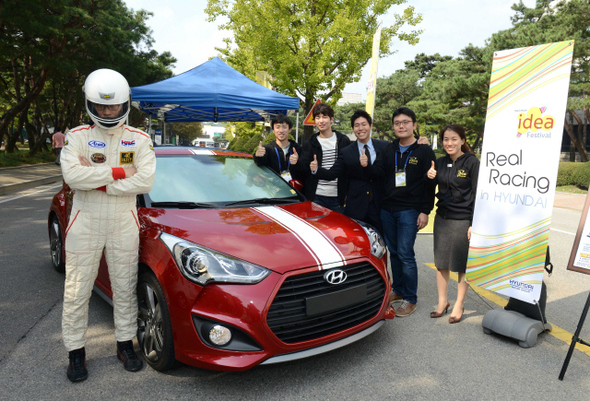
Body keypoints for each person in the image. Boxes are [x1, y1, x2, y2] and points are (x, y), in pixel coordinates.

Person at [60, 68, 156, 382]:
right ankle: (75, 353)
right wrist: (118, 174)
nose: (107, 111)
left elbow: (146, 181)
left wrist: (98, 180)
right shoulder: (77, 137)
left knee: (126, 287)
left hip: (122, 220)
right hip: (85, 218)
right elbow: (73, 177)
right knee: (76, 291)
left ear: (124, 104)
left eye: (113, 106)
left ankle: (124, 344)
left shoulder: (139, 139)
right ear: (91, 104)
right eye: (101, 106)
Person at [371, 107, 436, 317]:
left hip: (409, 210)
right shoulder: (388, 150)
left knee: (406, 254)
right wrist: (364, 165)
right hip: (387, 209)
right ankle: (398, 290)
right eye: (397, 122)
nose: (401, 125)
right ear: (393, 126)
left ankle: (410, 298)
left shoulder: (424, 150)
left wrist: (425, 211)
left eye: (406, 122)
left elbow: (429, 183)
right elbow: (378, 174)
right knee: (395, 252)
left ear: (414, 125)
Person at [427, 124, 479, 324]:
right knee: (441, 263)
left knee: (461, 265)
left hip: (463, 219)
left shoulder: (472, 162)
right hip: (442, 219)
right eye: (446, 139)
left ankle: (459, 304)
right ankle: (442, 302)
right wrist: (429, 177)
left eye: (454, 139)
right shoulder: (439, 163)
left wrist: (473, 223)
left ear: (463, 141)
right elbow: (430, 188)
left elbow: (477, 194)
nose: (449, 143)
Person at [312, 110, 387, 233]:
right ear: (353, 129)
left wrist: (420, 143)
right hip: (356, 206)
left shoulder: (384, 147)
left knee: (381, 243)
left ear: (371, 126)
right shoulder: (347, 151)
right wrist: (316, 170)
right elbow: (332, 174)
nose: (360, 128)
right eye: (356, 125)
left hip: (380, 205)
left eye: (364, 124)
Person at [298, 103, 351, 213]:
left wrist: (346, 193)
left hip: (337, 197)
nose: (321, 121)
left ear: (331, 119)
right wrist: (296, 162)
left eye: (324, 117)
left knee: (337, 229)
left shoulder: (343, 141)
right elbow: (302, 170)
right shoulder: (310, 143)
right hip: (316, 196)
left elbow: (348, 169)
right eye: (317, 117)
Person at [253, 114, 301, 182]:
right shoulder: (267, 149)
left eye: (284, 127)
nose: (281, 130)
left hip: (293, 189)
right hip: (273, 189)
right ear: (273, 130)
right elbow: (259, 164)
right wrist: (257, 156)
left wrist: (298, 162)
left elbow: (304, 170)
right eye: (277, 127)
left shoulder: (298, 149)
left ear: (289, 129)